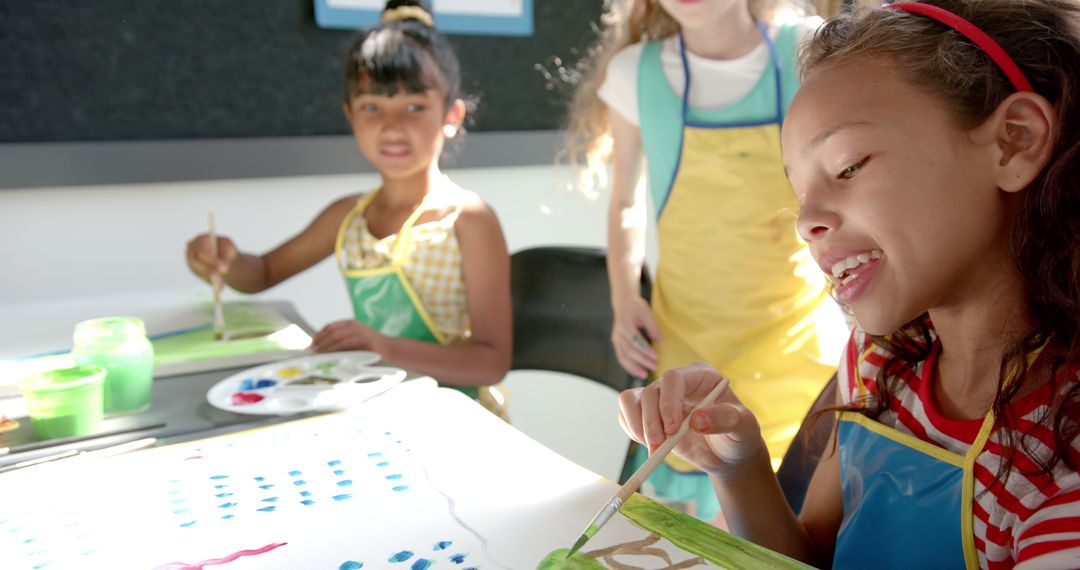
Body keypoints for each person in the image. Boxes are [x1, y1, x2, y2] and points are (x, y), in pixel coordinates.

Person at [619, 0, 1080, 566]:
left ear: (1014, 140)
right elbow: (812, 556)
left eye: (848, 166)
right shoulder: (876, 360)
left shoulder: (1061, 464)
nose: (805, 220)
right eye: (799, 191)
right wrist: (737, 468)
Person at [565, 0, 848, 520]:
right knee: (702, 494)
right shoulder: (636, 72)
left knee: (796, 519)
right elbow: (626, 200)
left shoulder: (809, 47)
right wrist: (625, 297)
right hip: (689, 342)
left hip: (798, 342)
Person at [185, 0, 512, 417]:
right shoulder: (347, 216)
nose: (393, 125)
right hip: (377, 409)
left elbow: (491, 362)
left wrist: (382, 346)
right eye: (372, 106)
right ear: (350, 115)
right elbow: (261, 273)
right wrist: (221, 260)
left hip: (457, 418)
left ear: (452, 114)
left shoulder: (467, 218)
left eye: (414, 106)